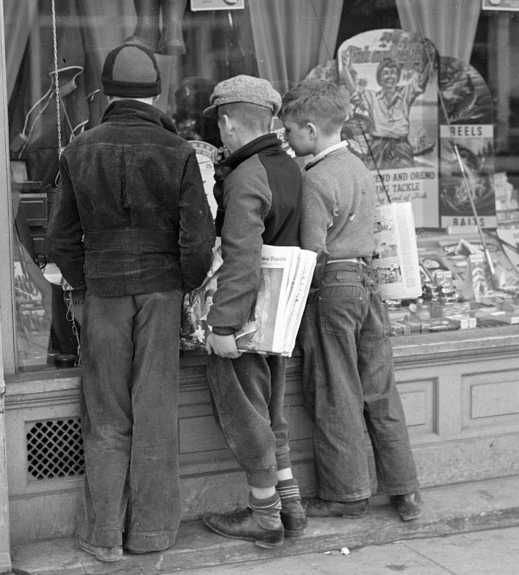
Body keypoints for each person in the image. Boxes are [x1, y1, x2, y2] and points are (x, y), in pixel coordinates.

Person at [46, 43, 215, 562]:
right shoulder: (179, 152)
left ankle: (102, 537)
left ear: (104, 90)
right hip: (161, 293)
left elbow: (59, 240)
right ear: (155, 92)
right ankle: (151, 534)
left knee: (106, 416)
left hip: (103, 294)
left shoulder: (78, 151)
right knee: (156, 413)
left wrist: (84, 283)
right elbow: (198, 242)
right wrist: (181, 285)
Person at [280, 79, 422, 523]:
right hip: (368, 283)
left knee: (335, 390)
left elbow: (311, 251)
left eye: (289, 131)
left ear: (309, 128)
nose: (286, 139)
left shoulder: (315, 180)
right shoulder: (358, 166)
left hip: (333, 287)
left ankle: (348, 494)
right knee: (380, 390)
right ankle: (405, 490)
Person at [201, 74, 306, 548]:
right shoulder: (289, 166)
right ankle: (292, 504)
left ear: (227, 123)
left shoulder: (247, 175)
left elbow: (242, 259)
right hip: (280, 315)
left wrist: (222, 325)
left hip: (245, 318)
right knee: (271, 413)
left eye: (218, 127)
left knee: (247, 415)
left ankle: (265, 517)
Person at [340, 47, 433, 169]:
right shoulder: (371, 96)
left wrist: (430, 61)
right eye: (386, 73)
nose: (390, 76)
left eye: (393, 73)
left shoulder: (406, 93)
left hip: (401, 146)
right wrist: (346, 68)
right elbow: (353, 91)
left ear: (398, 77)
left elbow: (421, 81)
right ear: (380, 78)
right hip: (378, 146)